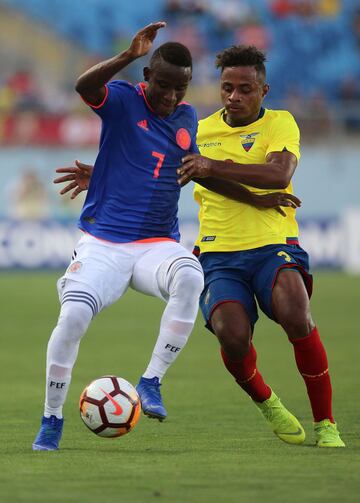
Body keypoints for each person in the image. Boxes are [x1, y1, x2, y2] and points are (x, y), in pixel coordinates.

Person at [33, 23, 298, 451]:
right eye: (163, 85)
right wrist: (126, 55)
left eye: (181, 88)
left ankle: (151, 382)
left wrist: (256, 199)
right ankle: (51, 417)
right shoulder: (121, 100)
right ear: (146, 78)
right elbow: (84, 85)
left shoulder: (187, 118)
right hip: (104, 243)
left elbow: (192, 172)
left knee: (191, 275)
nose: (171, 96)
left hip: (155, 243)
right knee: (72, 320)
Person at [177, 45, 345, 447]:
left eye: (245, 89)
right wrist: (99, 174)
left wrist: (211, 165)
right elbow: (162, 167)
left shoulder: (280, 123)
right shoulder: (199, 131)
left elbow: (279, 172)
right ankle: (268, 403)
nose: (234, 96)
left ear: (263, 90)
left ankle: (326, 424)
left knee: (295, 310)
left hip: (273, 244)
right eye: (227, 88)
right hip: (218, 254)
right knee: (231, 335)